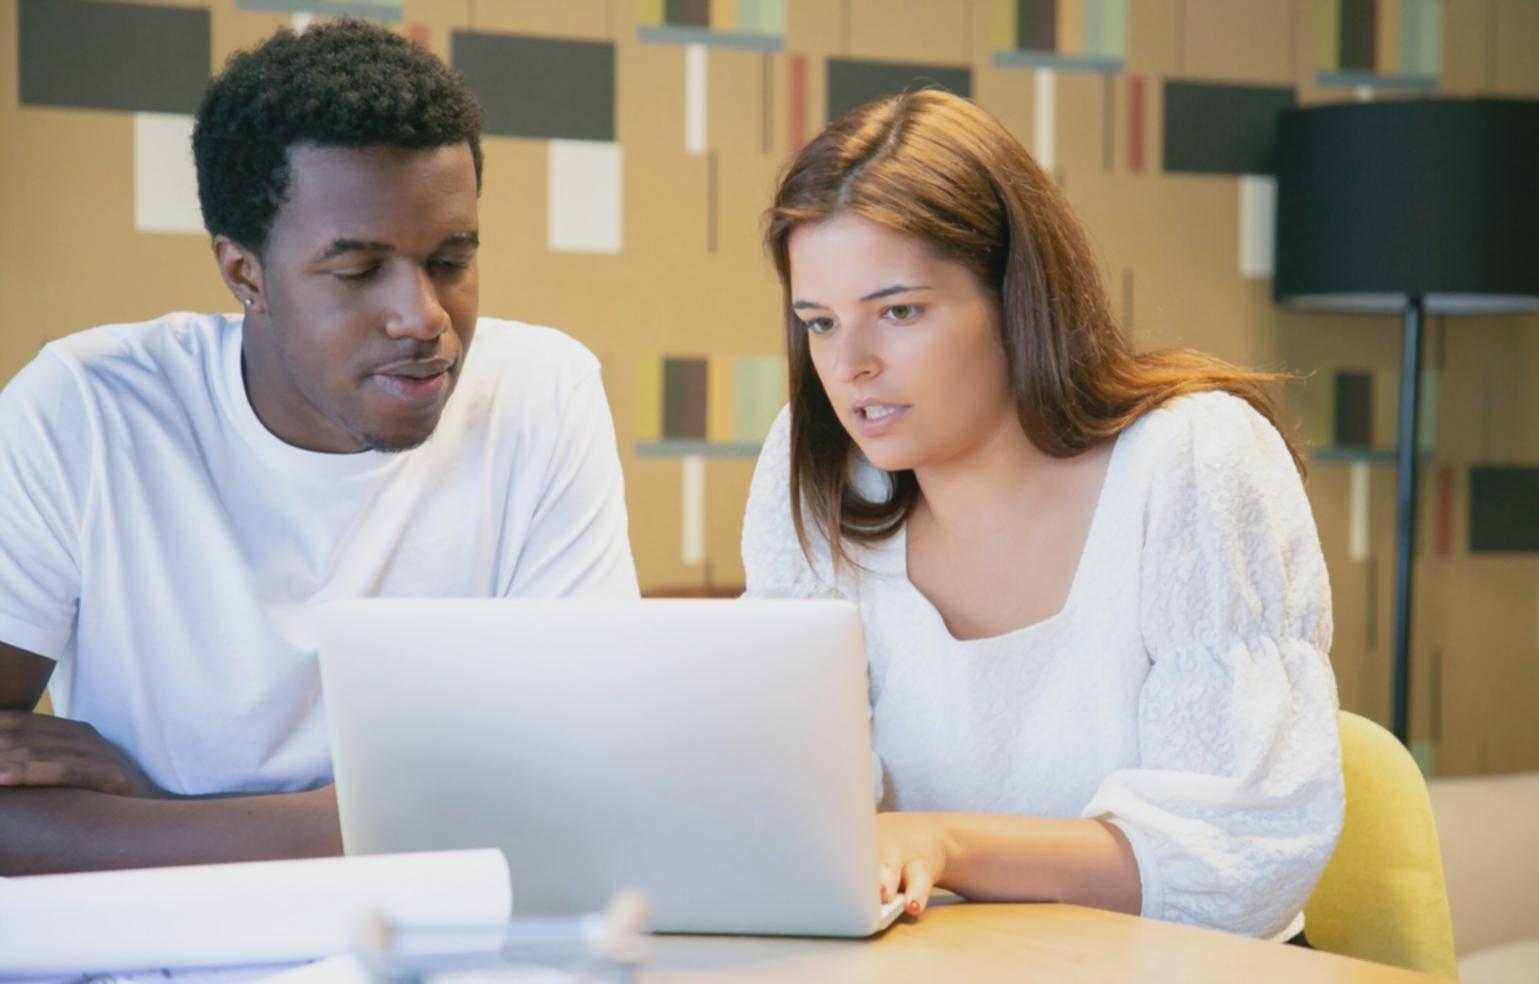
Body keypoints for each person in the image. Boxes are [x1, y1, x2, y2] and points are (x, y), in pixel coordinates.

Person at [0, 20, 638, 876]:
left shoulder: (542, 393)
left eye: (450, 259)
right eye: (358, 270)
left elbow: (592, 786)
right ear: (244, 274)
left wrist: (159, 810)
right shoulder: (87, 410)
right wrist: (386, 825)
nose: (424, 316)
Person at [742, 89, 1343, 942]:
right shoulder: (820, 474)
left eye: (898, 311)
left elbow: (1236, 858)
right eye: (820, 323)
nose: (851, 367)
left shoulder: (1192, 461)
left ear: (1016, 298)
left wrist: (945, 843)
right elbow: (787, 796)